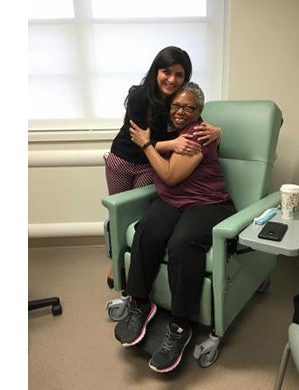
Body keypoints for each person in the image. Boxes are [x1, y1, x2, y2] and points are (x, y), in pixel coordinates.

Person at [113, 82, 236, 373]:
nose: (181, 112)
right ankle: (140, 303)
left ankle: (180, 326)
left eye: (189, 107)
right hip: (172, 201)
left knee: (183, 244)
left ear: (199, 111)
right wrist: (154, 142)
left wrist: (146, 144)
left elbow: (169, 175)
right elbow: (149, 143)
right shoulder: (166, 126)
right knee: (147, 230)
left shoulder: (197, 135)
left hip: (208, 203)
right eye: (176, 106)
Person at [104, 46, 222, 288]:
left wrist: (219, 131)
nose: (172, 79)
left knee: (139, 217)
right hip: (122, 159)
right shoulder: (139, 96)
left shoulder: (179, 100)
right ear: (156, 71)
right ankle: (115, 261)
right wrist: (172, 143)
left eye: (179, 74)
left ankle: (139, 263)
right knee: (118, 214)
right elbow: (138, 138)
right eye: (166, 72)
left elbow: (195, 122)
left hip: (149, 165)